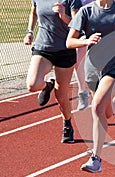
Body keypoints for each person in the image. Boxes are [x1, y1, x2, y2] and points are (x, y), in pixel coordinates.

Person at [66, 0, 115, 172]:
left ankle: (96, 158)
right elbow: (69, 42)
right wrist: (86, 41)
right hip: (93, 70)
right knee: (106, 111)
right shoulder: (86, 12)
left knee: (97, 107)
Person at [24, 0, 82, 143]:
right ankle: (47, 86)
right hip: (43, 47)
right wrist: (29, 32)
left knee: (61, 95)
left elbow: (78, 25)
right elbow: (33, 12)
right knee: (32, 85)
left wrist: (63, 16)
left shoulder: (72, 1)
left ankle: (67, 124)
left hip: (65, 50)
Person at [74, 0, 94, 111]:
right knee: (77, 60)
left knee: (107, 106)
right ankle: (82, 92)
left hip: (99, 29)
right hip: (81, 31)